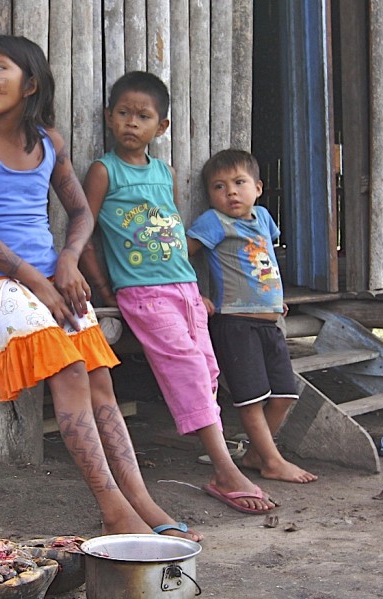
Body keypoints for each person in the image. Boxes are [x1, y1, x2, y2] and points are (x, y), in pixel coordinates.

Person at [0, 35, 200, 540]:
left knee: (100, 374)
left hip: (50, 278)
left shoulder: (48, 141)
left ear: (30, 83)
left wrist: (67, 259)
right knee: (72, 366)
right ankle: (112, 509)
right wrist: (39, 279)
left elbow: (81, 212)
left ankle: (139, 498)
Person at [81, 71, 277, 515]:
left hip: (183, 286)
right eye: (124, 114)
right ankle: (227, 470)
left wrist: (194, 288)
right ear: (110, 118)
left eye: (144, 116)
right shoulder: (102, 171)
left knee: (207, 368)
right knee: (188, 367)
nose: (133, 123)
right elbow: (85, 232)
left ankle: (220, 467)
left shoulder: (163, 172)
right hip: (142, 292)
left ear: (161, 127)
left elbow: (168, 230)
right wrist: (104, 285)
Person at [186, 149, 317, 484]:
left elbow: (266, 259)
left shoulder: (262, 218)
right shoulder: (214, 222)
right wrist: (194, 293)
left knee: (285, 393)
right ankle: (272, 461)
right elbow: (181, 255)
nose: (230, 191)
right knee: (251, 397)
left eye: (238, 182)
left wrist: (275, 297)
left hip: (270, 320)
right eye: (219, 186)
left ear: (258, 187)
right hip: (234, 321)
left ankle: (257, 453)